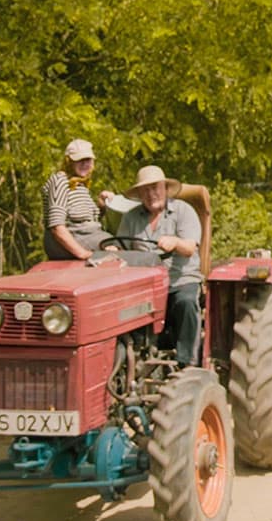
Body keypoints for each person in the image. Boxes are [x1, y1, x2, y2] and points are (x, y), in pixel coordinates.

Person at [117, 165, 203, 363]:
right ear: (139, 194)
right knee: (118, 309)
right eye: (145, 190)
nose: (151, 194)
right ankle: (131, 361)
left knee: (186, 302)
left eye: (155, 187)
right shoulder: (130, 218)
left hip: (178, 280)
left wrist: (175, 242)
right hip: (143, 286)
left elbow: (190, 247)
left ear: (165, 188)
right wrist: (113, 251)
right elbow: (119, 247)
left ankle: (187, 363)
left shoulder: (183, 211)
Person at [42, 139, 115, 260]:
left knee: (122, 241)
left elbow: (88, 222)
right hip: (70, 239)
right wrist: (84, 254)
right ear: (69, 161)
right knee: (117, 248)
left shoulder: (79, 184)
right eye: (80, 160)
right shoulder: (60, 181)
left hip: (87, 236)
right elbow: (56, 227)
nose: (85, 164)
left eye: (88, 160)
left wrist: (101, 206)